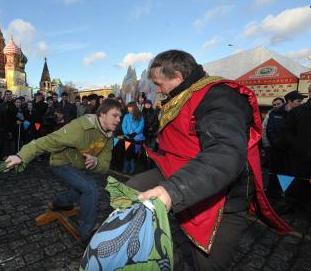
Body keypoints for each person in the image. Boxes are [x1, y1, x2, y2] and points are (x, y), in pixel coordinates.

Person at [125, 50, 290, 270]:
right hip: (181, 172)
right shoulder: (182, 95)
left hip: (224, 198)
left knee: (208, 265)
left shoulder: (219, 96)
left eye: (158, 83)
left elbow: (225, 152)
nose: (157, 89)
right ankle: (166, 259)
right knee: (130, 193)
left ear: (177, 77)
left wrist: (173, 191)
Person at [5, 98, 123, 245]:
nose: (119, 119)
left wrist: (96, 161)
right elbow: (47, 141)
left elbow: (105, 166)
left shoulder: (109, 137)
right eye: (115, 115)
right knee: (90, 188)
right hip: (61, 163)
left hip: (78, 166)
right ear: (103, 114)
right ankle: (87, 233)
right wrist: (21, 156)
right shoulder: (80, 127)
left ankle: (59, 202)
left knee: (81, 189)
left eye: (120, 116)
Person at [266, 91, 305, 197]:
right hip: (277, 151)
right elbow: (270, 131)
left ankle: (287, 196)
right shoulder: (275, 113)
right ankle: (272, 196)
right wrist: (277, 144)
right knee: (275, 174)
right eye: (298, 101)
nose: (301, 103)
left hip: (292, 152)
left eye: (301, 101)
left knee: (289, 175)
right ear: (289, 101)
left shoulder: (301, 114)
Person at [121, 102, 145, 175]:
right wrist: (126, 133)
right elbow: (123, 125)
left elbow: (141, 125)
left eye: (130, 107)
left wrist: (135, 133)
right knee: (127, 153)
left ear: (134, 107)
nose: (129, 109)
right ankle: (125, 168)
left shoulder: (140, 116)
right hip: (128, 138)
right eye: (128, 107)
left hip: (137, 138)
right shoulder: (126, 116)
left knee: (133, 155)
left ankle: (132, 169)